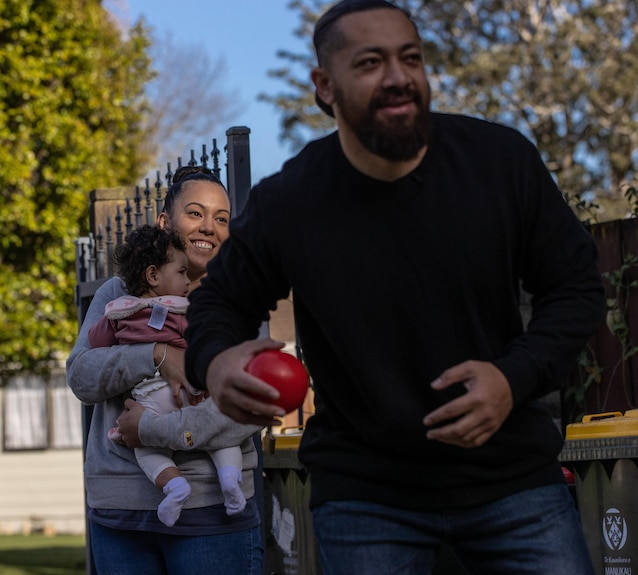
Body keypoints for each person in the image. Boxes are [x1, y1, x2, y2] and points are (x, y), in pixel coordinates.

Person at [183, 1, 606, 574]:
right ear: (325, 87)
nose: (399, 76)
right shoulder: (293, 200)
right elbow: (219, 302)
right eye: (371, 62)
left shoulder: (501, 163)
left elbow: (576, 287)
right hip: (365, 494)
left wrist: (515, 375)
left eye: (411, 58)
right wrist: (213, 363)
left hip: (511, 480)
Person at [65, 167, 263, 575]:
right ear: (164, 223)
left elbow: (245, 409)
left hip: (210, 515)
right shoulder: (117, 293)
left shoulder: (236, 302)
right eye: (195, 213)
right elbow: (82, 376)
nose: (209, 226)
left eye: (222, 218)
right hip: (119, 516)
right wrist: (155, 354)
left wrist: (154, 431)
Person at [87, 224, 246, 527]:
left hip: (150, 402)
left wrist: (113, 322)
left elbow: (95, 345)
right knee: (221, 440)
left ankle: (174, 486)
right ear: (153, 276)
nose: (187, 280)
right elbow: (203, 346)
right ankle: (229, 481)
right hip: (189, 393)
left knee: (146, 450)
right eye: (182, 272)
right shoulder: (184, 311)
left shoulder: (121, 311)